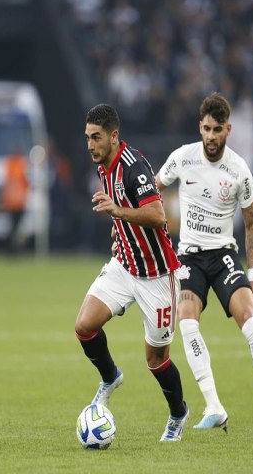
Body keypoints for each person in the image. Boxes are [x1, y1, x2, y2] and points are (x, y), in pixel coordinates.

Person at [156, 92, 253, 430]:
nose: (211, 136)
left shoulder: (239, 171)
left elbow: (251, 223)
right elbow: (153, 189)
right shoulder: (182, 158)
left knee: (248, 317)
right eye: (206, 129)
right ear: (199, 127)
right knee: (186, 320)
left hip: (223, 257)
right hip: (188, 256)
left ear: (228, 130)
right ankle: (213, 406)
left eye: (217, 130)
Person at [74, 104, 189, 442]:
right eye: (87, 138)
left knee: (155, 359)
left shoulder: (133, 167)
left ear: (114, 136)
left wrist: (117, 213)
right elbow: (126, 216)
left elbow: (156, 215)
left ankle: (178, 413)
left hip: (157, 274)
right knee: (84, 326)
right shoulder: (103, 165)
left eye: (96, 138)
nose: (91, 145)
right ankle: (110, 377)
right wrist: (119, 229)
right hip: (125, 264)